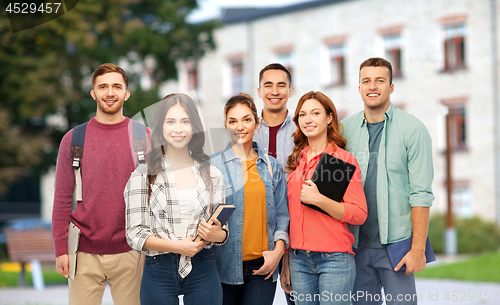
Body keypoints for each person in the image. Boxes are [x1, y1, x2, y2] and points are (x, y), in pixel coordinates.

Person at [52, 63, 147, 305]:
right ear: (93, 94)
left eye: (117, 86)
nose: (110, 93)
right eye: (102, 87)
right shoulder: (74, 139)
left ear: (126, 93)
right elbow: (62, 197)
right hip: (82, 251)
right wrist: (60, 249)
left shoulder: (143, 136)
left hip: (132, 251)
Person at [342, 57, 434, 305]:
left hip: (398, 247)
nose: (372, 86)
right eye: (366, 81)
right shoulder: (343, 132)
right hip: (355, 247)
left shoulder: (413, 129)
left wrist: (417, 249)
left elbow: (421, 194)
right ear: (359, 87)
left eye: (380, 80)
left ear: (391, 86)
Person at [124, 93, 227, 305]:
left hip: (203, 266)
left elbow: (222, 229)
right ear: (161, 127)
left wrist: (219, 234)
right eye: (170, 121)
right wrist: (178, 247)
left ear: (195, 127)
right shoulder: (142, 175)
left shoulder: (213, 174)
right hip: (158, 268)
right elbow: (135, 234)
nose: (178, 129)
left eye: (185, 121)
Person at [283, 91, 367, 305]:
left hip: (334, 259)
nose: (308, 120)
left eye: (315, 113)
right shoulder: (295, 161)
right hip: (299, 259)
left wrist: (320, 200)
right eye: (302, 115)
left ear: (330, 118)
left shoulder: (342, 160)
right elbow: (288, 216)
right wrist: (286, 261)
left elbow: (359, 214)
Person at [211, 93, 290, 305]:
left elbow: (283, 215)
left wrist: (278, 253)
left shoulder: (272, 166)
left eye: (246, 119)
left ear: (257, 123)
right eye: (233, 121)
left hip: (263, 268)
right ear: (226, 125)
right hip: (222, 268)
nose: (240, 127)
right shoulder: (212, 166)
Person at [253, 63, 296, 305]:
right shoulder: (247, 131)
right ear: (259, 91)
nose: (275, 91)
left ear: (290, 90)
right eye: (268, 85)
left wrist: (286, 255)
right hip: (256, 238)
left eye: (281, 85)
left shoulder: (303, 132)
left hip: (297, 237)